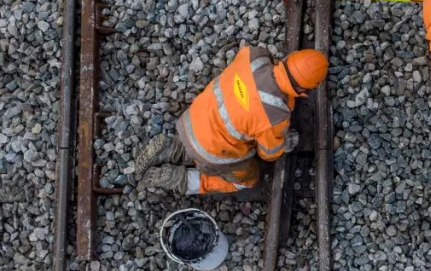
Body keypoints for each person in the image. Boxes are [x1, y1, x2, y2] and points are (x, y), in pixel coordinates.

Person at [131, 46, 329, 195]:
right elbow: (268, 154)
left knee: (197, 143)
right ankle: (179, 179)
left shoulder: (255, 56)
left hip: (192, 121)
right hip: (214, 154)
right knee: (246, 181)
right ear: (303, 90)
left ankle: (172, 147)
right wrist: (284, 142)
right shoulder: (275, 115)